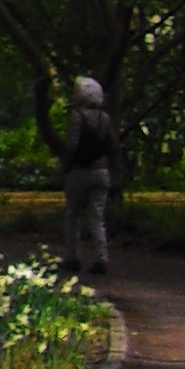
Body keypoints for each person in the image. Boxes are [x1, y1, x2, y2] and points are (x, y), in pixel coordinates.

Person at [63, 76, 119, 276]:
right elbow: (113, 144)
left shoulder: (77, 116)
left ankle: (72, 257)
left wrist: (66, 164)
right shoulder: (105, 118)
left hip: (81, 171)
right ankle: (101, 257)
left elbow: (72, 144)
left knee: (73, 215)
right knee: (97, 216)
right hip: (102, 171)